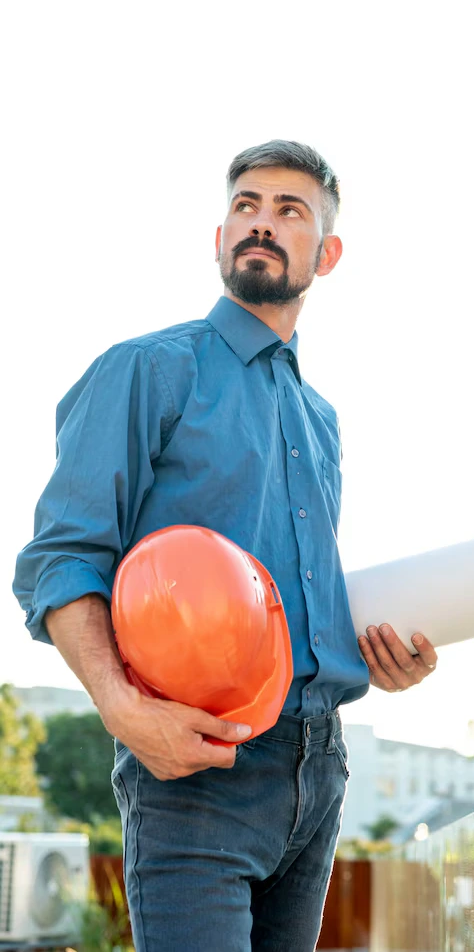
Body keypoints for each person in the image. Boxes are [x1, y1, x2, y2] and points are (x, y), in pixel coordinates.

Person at [12, 140, 438, 951]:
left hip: (321, 770)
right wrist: (121, 706)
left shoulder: (323, 422)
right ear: (219, 238)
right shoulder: (146, 370)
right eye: (246, 206)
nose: (262, 225)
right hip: (196, 769)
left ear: (328, 251)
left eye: (290, 211)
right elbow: (61, 559)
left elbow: (290, 604)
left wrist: (383, 658)